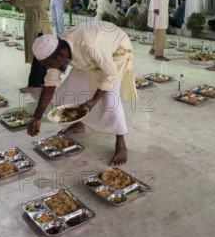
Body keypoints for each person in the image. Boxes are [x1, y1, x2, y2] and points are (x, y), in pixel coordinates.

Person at [27, 21, 136, 166]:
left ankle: (121, 143)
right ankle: (79, 124)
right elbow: (50, 84)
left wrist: (93, 101)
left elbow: (110, 74)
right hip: (92, 55)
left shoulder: (91, 46)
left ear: (61, 55)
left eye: (48, 64)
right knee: (69, 88)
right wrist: (37, 117)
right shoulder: (60, 49)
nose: (48, 68)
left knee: (110, 99)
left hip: (115, 53)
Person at [6, 0, 52, 93]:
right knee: (40, 52)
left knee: (38, 52)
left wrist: (20, 1)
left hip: (38, 21)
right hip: (32, 19)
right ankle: (42, 81)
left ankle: (34, 84)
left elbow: (41, 0)